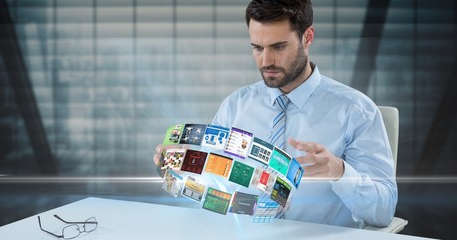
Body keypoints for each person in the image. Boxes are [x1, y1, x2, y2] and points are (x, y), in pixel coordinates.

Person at [154, 0, 397, 229]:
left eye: (278, 47)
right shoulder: (236, 105)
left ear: (307, 38)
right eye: (257, 48)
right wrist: (182, 164)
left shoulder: (356, 110)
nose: (266, 60)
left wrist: (340, 173)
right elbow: (213, 183)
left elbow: (384, 209)